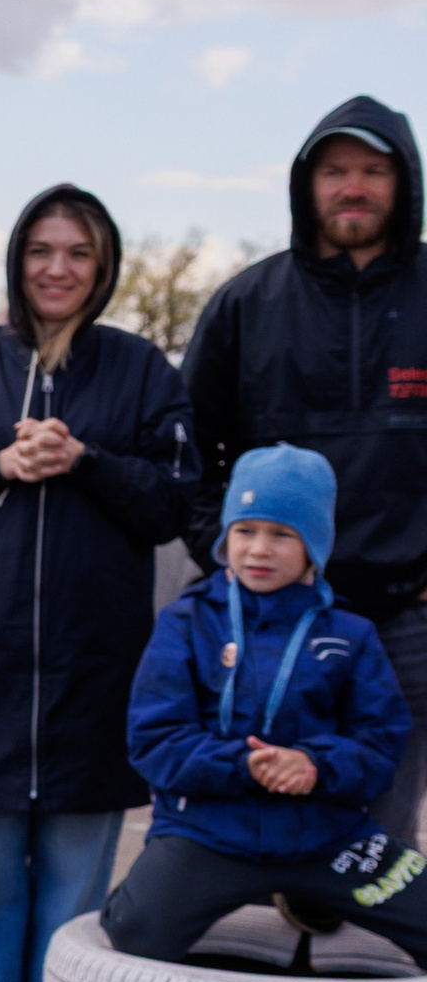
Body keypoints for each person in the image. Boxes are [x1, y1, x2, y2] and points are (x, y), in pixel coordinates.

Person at [0, 186, 195, 982]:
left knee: (74, 909)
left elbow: (174, 502)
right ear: (18, 260)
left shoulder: (140, 369)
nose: (58, 269)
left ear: (105, 266)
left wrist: (85, 461)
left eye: (79, 253)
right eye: (41, 251)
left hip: (93, 682)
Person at [184, 101, 427, 846]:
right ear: (306, 184)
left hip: (409, 616)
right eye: (335, 171)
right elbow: (189, 449)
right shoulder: (246, 302)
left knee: (381, 827)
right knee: (270, 812)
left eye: (373, 171)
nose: (353, 187)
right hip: (275, 616)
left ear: (404, 182)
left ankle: (374, 958)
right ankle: (278, 958)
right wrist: (221, 552)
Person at [102, 448, 427, 961]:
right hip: (207, 835)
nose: (259, 549)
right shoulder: (186, 623)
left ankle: (307, 895)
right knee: (133, 931)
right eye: (245, 530)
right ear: (226, 535)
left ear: (315, 546)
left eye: (282, 534)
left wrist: (314, 766)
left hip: (328, 839)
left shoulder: (351, 634)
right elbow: (154, 741)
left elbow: (382, 743)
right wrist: (244, 765)